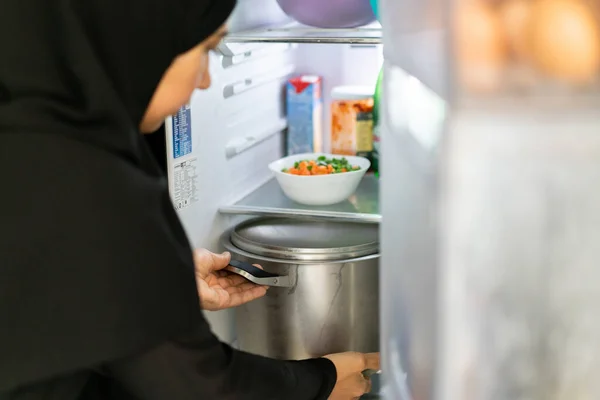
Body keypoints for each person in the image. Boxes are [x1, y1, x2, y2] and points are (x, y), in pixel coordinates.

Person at [0, 0, 380, 399]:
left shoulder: (32, 136)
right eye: (206, 50)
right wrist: (324, 379)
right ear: (144, 41)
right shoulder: (92, 178)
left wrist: (152, 281)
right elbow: (196, 387)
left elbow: (37, 307)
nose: (205, 81)